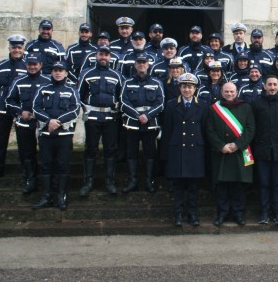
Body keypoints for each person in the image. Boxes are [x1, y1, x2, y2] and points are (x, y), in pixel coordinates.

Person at [32, 61, 80, 210]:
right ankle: (46, 196)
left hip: (64, 134)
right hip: (46, 134)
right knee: (46, 165)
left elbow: (75, 109)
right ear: (51, 72)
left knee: (62, 164)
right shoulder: (43, 89)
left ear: (66, 73)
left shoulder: (72, 90)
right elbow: (36, 107)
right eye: (55, 70)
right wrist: (48, 121)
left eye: (61, 70)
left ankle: (61, 196)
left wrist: (58, 122)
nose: (58, 73)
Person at [161, 73, 208, 227]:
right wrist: (165, 155)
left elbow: (204, 129)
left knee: (193, 186)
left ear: (195, 89)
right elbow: (167, 131)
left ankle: (193, 214)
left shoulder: (202, 105)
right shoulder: (171, 105)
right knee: (178, 186)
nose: (187, 90)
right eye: (184, 86)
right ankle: (178, 214)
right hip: (177, 150)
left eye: (190, 87)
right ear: (179, 88)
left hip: (195, 150)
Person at [77, 45, 125, 197]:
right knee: (90, 149)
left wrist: (117, 107)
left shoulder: (117, 75)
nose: (103, 57)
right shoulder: (87, 73)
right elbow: (79, 95)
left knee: (110, 150)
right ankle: (88, 182)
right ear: (96, 56)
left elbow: (121, 96)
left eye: (106, 55)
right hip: (92, 117)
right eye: (101, 54)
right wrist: (86, 111)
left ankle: (110, 182)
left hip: (110, 118)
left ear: (110, 57)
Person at [207, 82, 255, 227]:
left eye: (232, 92)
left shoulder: (246, 107)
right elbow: (209, 130)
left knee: (239, 186)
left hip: (239, 152)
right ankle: (222, 214)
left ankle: (238, 214)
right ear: (221, 92)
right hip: (221, 152)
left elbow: (250, 129)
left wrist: (237, 145)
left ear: (237, 92)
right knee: (221, 186)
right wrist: (221, 146)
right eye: (226, 91)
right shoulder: (214, 109)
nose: (229, 94)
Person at [5, 54, 50, 193]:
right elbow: (9, 101)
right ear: (26, 65)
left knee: (46, 154)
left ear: (40, 65)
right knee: (27, 154)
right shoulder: (18, 81)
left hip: (43, 124)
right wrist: (20, 111)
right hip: (25, 124)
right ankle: (30, 180)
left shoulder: (48, 81)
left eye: (35, 64)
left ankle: (46, 182)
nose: (32, 66)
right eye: (30, 64)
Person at [251, 76, 278, 225]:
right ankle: (264, 213)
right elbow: (252, 127)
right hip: (262, 151)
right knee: (263, 184)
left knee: (277, 184)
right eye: (269, 84)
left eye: (275, 84)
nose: (272, 87)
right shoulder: (256, 104)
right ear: (264, 86)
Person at [120, 53, 165, 193]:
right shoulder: (127, 82)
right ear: (135, 65)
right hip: (132, 123)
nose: (141, 65)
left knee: (150, 153)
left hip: (150, 123)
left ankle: (149, 180)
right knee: (131, 153)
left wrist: (148, 115)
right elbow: (123, 102)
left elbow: (161, 102)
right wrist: (137, 115)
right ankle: (133, 180)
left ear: (148, 64)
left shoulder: (156, 82)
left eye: (144, 62)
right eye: (139, 62)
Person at [0, 35, 28, 180]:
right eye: (14, 47)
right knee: (0, 141)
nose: (17, 50)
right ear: (9, 48)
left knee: (24, 142)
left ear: (23, 49)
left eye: (19, 47)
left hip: (20, 109)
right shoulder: (1, 65)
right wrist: (4, 98)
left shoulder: (27, 66)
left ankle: (26, 171)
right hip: (3, 108)